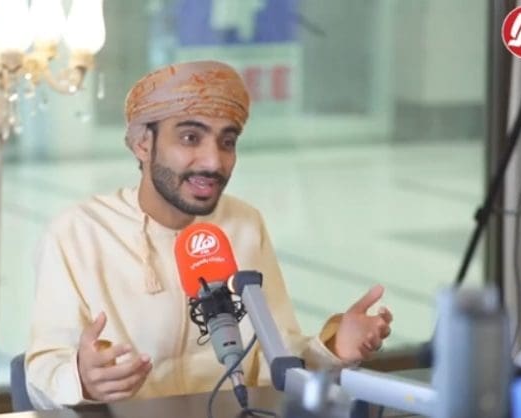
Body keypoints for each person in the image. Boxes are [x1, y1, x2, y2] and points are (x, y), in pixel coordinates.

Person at [25, 60, 393, 409]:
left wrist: (333, 349)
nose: (214, 161)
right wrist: (82, 379)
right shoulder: (78, 233)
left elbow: (276, 359)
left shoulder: (244, 223)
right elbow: (41, 379)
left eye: (227, 142)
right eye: (190, 138)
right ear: (143, 144)